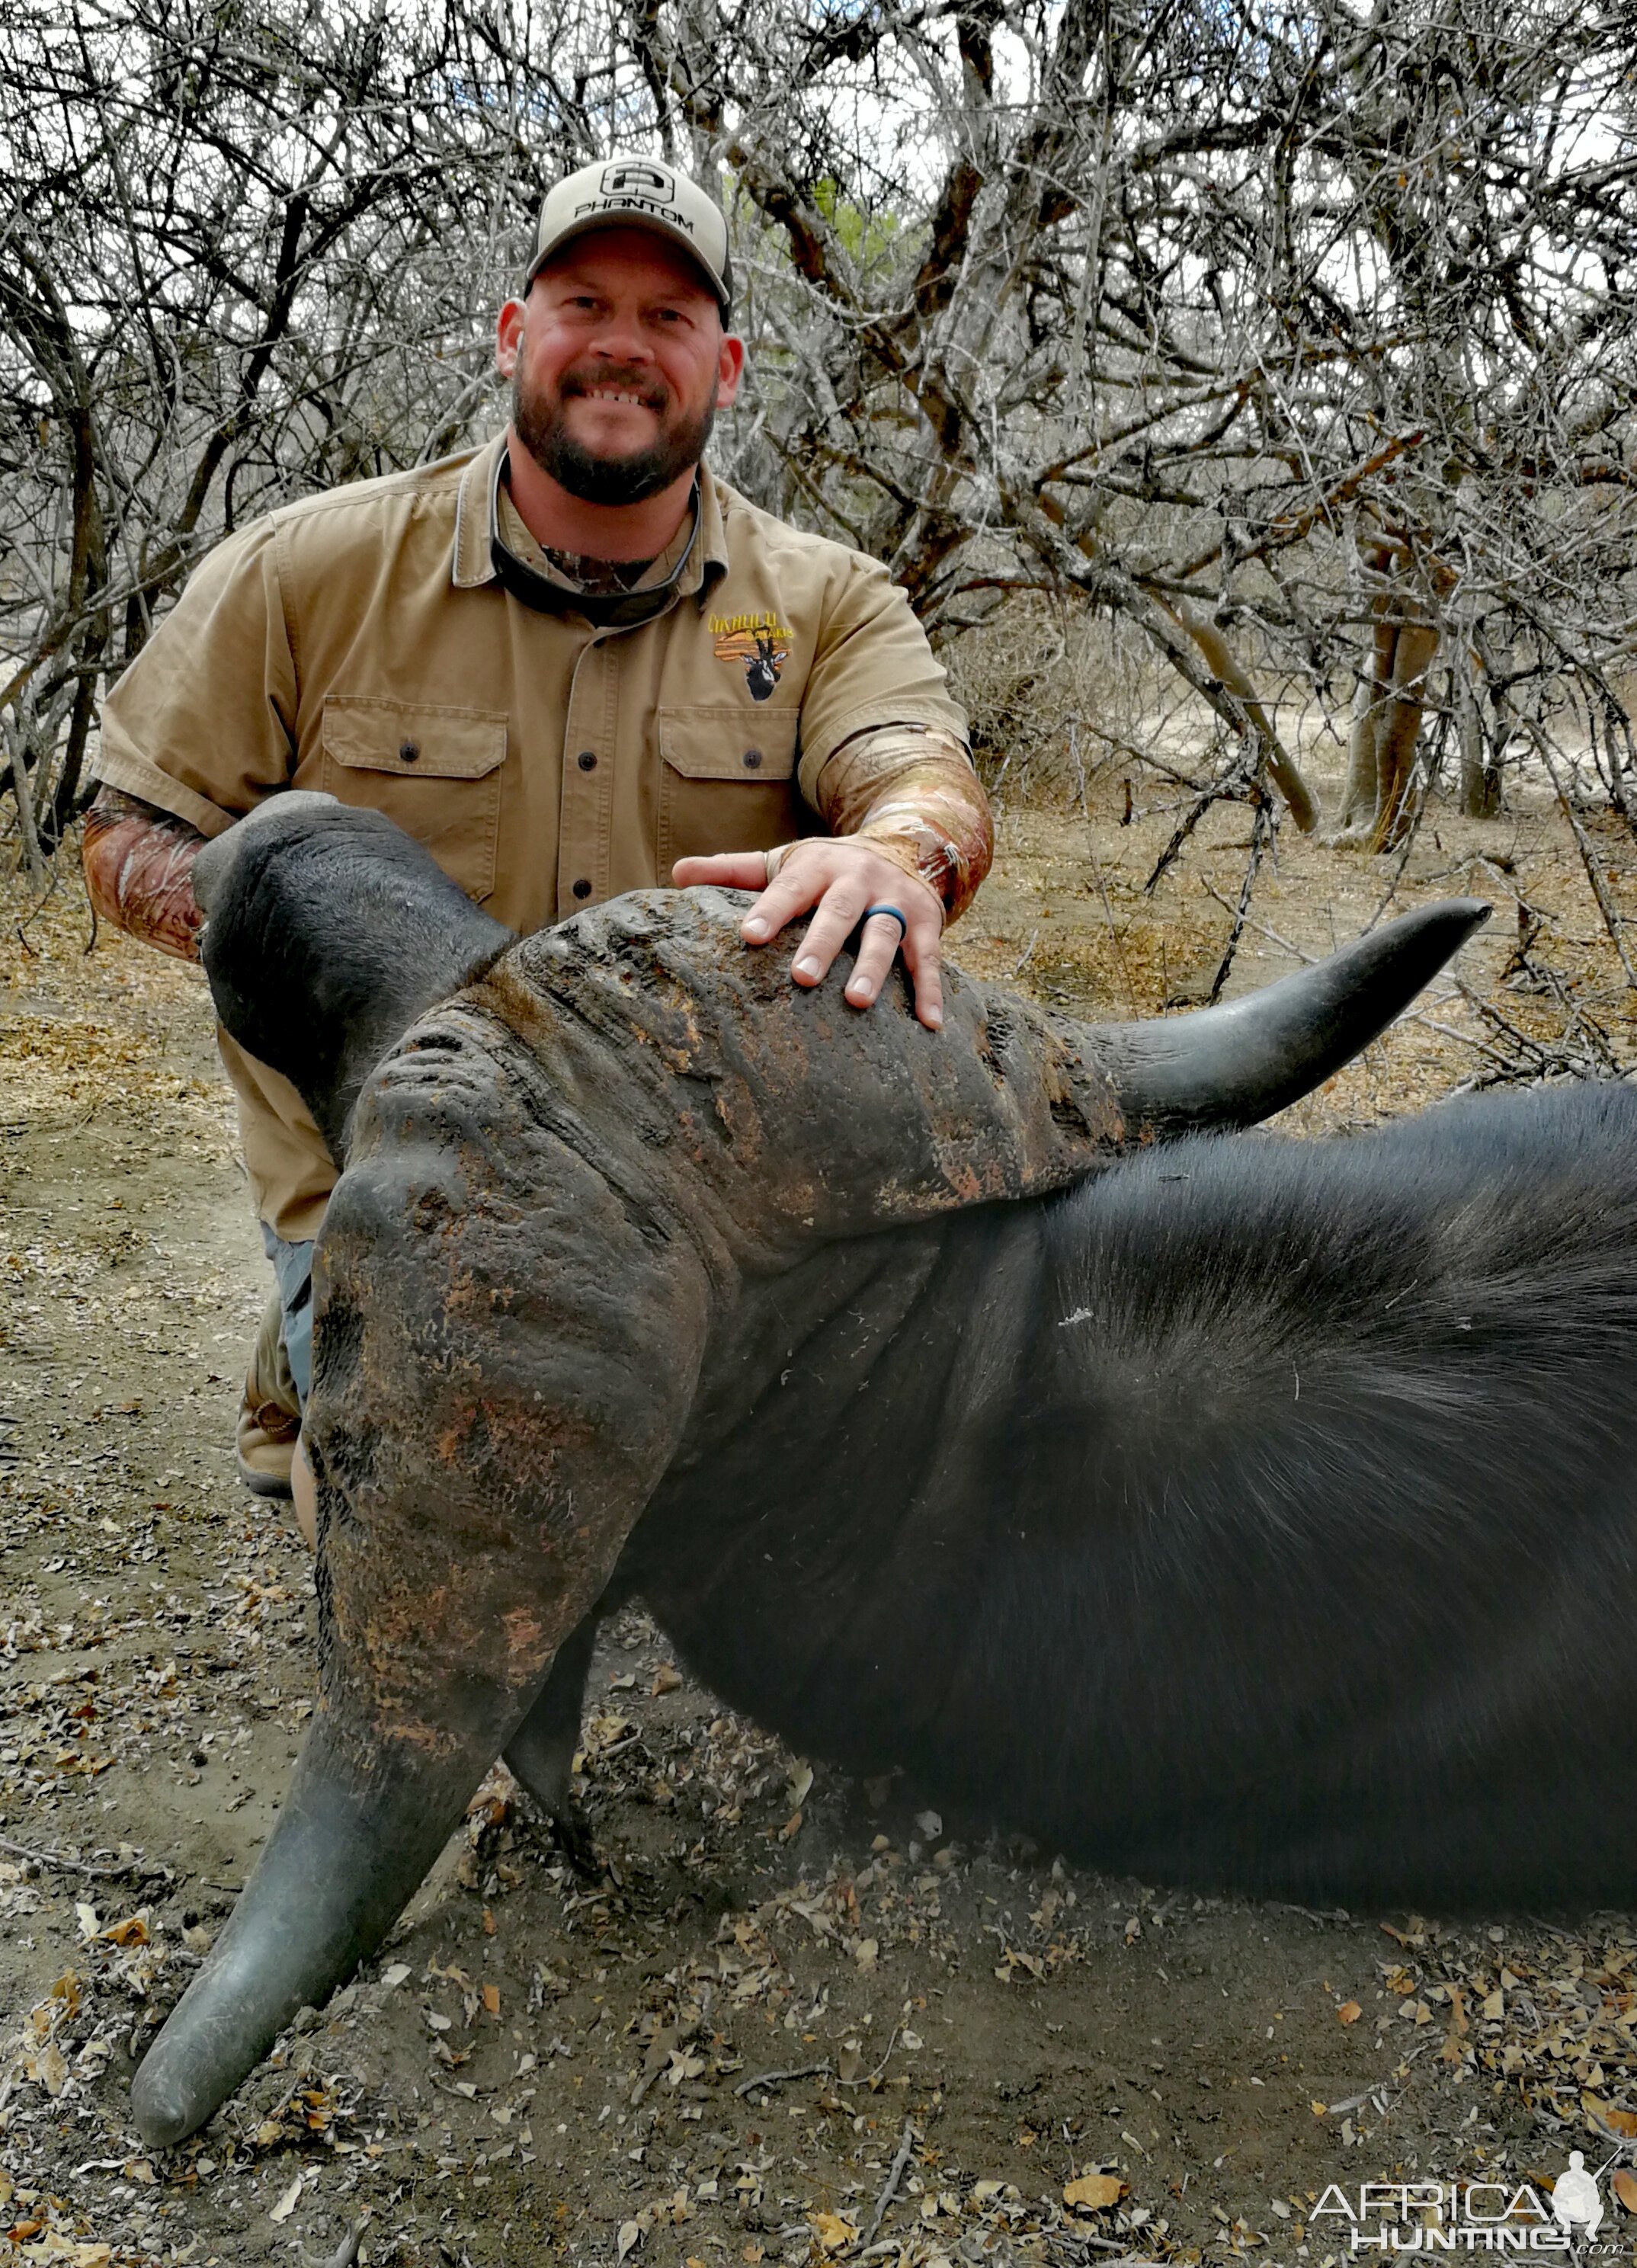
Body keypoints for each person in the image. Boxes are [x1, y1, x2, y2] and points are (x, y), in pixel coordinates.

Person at [82, 152, 994, 1500]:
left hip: (699, 1193)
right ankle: (316, 1320)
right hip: (392, 1189)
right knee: (478, 1488)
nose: (621, 347)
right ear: (517, 333)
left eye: (668, 318)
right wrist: (291, 932)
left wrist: (895, 851)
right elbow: (123, 829)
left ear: (726, 366)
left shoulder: (826, 602)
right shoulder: (308, 569)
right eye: (584, 303)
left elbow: (916, 764)